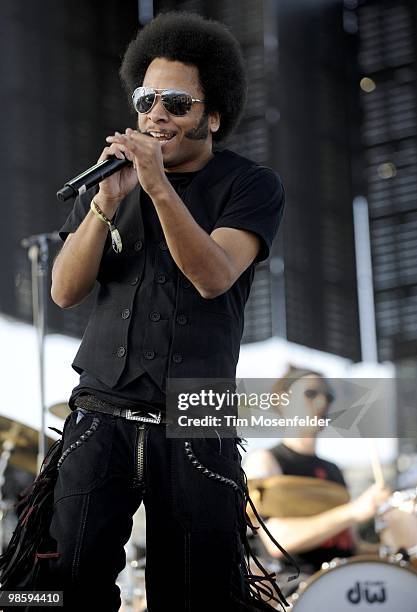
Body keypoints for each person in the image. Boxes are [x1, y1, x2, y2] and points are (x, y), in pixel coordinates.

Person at [28, 12, 287, 612]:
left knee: (197, 590)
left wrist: (158, 186)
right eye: (147, 100)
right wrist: (102, 206)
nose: (157, 115)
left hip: (198, 410)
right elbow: (64, 291)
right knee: (65, 583)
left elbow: (215, 276)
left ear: (212, 115)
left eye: (176, 102)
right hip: (100, 406)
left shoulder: (251, 185)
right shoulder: (113, 186)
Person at [244, 366, 390, 584]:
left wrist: (396, 551)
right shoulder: (265, 461)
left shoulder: (334, 470)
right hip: (297, 588)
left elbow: (352, 546)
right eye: (310, 393)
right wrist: (352, 511)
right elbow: (277, 541)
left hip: (348, 584)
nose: (322, 403)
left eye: (328, 396)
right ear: (282, 400)